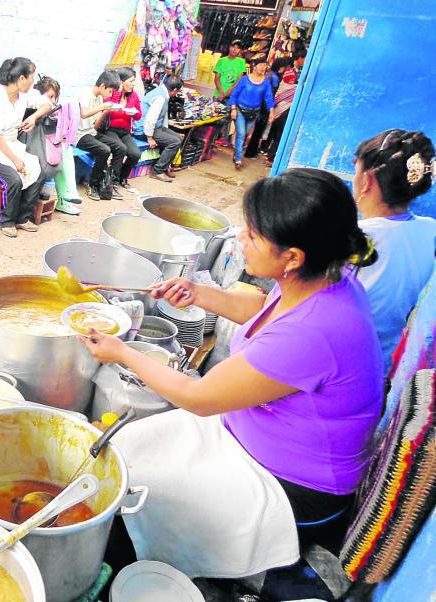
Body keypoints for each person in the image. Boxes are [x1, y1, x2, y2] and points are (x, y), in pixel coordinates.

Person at [83, 169, 383, 577]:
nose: (241, 236)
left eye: (254, 235)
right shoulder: (325, 278)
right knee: (130, 446)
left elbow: (199, 398)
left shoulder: (316, 330)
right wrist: (199, 294)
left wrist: (121, 352)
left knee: (144, 490)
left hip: (291, 487)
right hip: (250, 434)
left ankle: (131, 568)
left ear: (293, 257)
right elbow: (265, 312)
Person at [352, 129, 436, 375]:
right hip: (382, 367)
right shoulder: (430, 231)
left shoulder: (350, 238)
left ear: (366, 181)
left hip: (330, 370)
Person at [0, 57, 54, 238]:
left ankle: (22, 218)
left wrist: (33, 117)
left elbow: (47, 103)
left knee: (38, 172)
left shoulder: (25, 95)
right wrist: (15, 160)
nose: (34, 81)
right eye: (31, 76)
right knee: (14, 179)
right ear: (21, 78)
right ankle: (6, 221)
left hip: (9, 142)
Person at [31, 75, 81, 216]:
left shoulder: (53, 110)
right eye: (50, 97)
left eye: (55, 97)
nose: (53, 101)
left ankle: (67, 196)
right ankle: (67, 195)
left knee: (64, 149)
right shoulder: (33, 106)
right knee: (61, 152)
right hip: (34, 145)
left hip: (46, 145)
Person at [75, 69, 121, 200]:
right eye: (110, 91)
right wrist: (102, 107)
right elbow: (84, 114)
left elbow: (94, 126)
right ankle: (93, 185)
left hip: (90, 132)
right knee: (104, 150)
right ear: (102, 86)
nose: (110, 94)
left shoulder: (100, 98)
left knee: (120, 147)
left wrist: (106, 112)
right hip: (79, 135)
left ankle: (110, 184)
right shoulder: (85, 94)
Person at [98, 66, 142, 192]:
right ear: (121, 81)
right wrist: (119, 92)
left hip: (125, 131)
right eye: (131, 81)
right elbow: (108, 109)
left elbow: (139, 115)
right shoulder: (113, 94)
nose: (133, 84)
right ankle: (113, 181)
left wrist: (132, 113)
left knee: (135, 154)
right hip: (110, 129)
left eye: (134, 81)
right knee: (121, 149)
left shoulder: (133, 96)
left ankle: (123, 177)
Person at [134, 73, 184, 183]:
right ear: (175, 89)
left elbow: (161, 117)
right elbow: (150, 119)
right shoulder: (160, 97)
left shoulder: (162, 92)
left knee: (178, 137)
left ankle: (165, 166)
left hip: (154, 127)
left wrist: (166, 131)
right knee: (174, 141)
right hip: (143, 129)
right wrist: (149, 138)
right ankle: (158, 171)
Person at [228, 58, 275, 169]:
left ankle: (237, 153)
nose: (263, 67)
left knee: (245, 135)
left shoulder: (266, 81)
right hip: (240, 110)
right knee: (241, 134)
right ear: (254, 66)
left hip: (254, 113)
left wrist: (272, 111)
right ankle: (239, 159)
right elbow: (234, 94)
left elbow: (269, 97)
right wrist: (233, 109)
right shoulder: (245, 79)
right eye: (261, 65)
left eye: (265, 65)